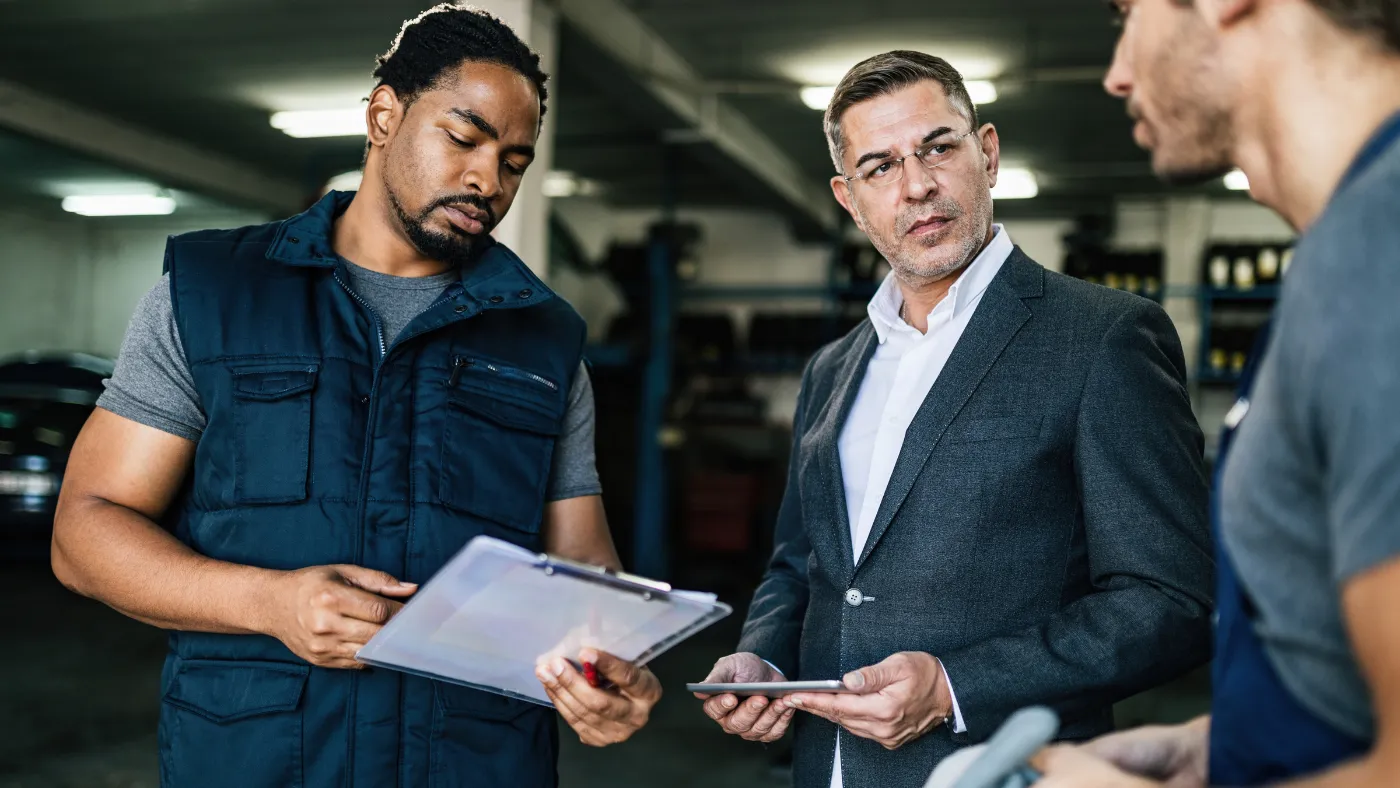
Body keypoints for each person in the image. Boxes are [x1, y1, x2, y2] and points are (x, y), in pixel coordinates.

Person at [49, 6, 658, 787]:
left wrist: (613, 666)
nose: (487, 179)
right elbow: (85, 532)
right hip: (254, 761)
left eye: (514, 161)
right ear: (383, 115)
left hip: (473, 765)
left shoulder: (544, 340)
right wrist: (269, 603)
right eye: (463, 138)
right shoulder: (212, 296)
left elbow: (582, 569)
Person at [695, 50, 1215, 788]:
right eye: (880, 167)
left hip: (1002, 768)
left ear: (988, 153)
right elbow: (802, 562)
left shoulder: (1103, 338)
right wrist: (766, 657)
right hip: (826, 768)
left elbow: (1170, 600)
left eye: (937, 147)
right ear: (849, 199)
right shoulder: (831, 369)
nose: (917, 186)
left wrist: (953, 686)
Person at [1031, 0, 1400, 785]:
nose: (1116, 72)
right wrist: (1218, 750)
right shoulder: (1345, 250)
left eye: (1128, 13)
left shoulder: (1380, 248)